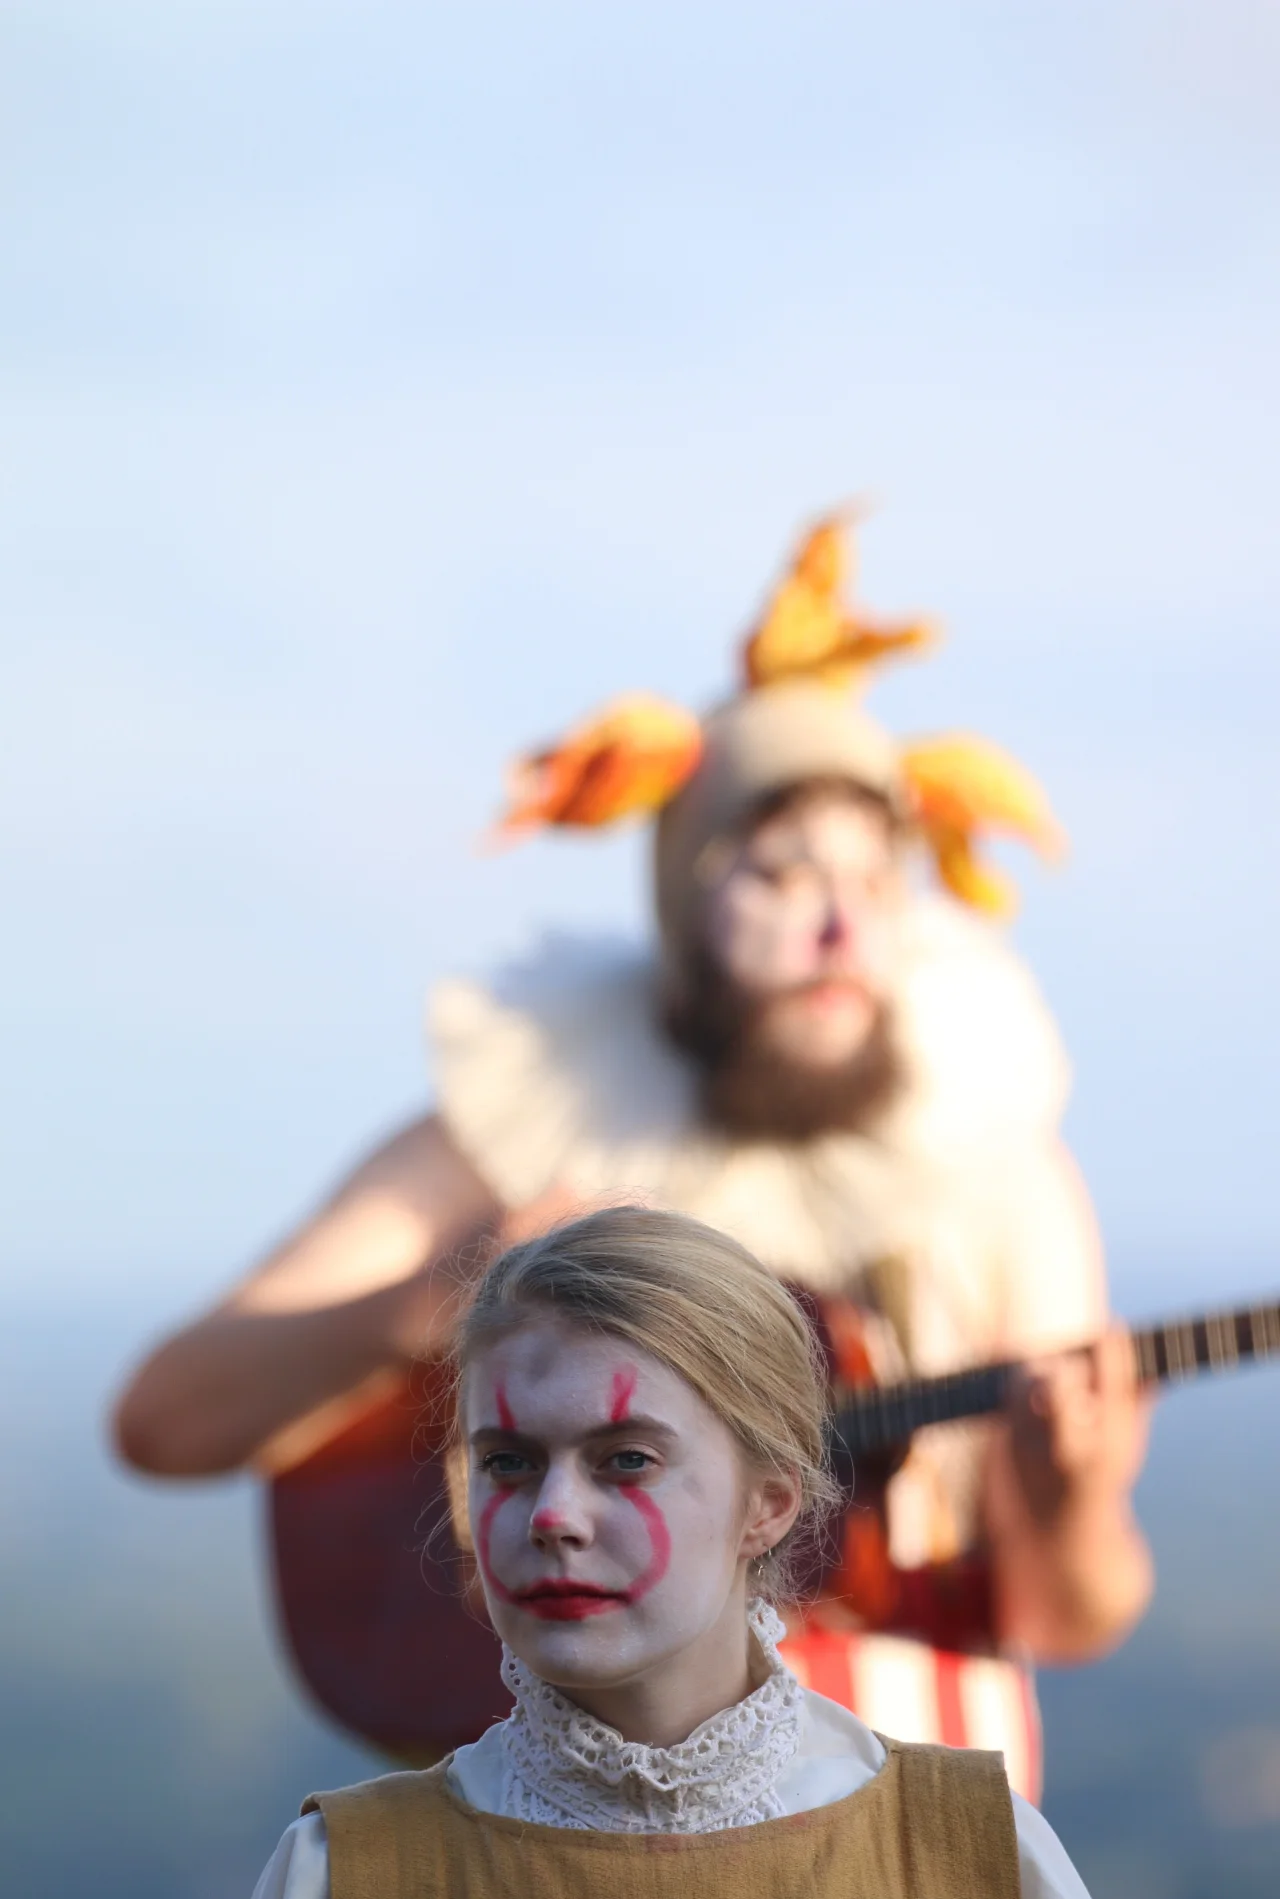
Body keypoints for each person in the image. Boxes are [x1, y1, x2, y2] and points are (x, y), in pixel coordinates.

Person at [114, 511, 1152, 1799]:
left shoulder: (990, 1170)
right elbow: (167, 1418)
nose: (838, 931)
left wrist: (1067, 1500)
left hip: (908, 1841)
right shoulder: (528, 1132)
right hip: (572, 1850)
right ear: (683, 897)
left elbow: (1065, 1616)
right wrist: (437, 1301)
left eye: (873, 882)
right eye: (779, 877)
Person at [244, 1207, 1100, 1899]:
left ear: (768, 1503)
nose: (552, 1515)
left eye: (627, 1460)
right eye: (508, 1461)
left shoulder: (973, 1856)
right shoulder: (348, 1878)